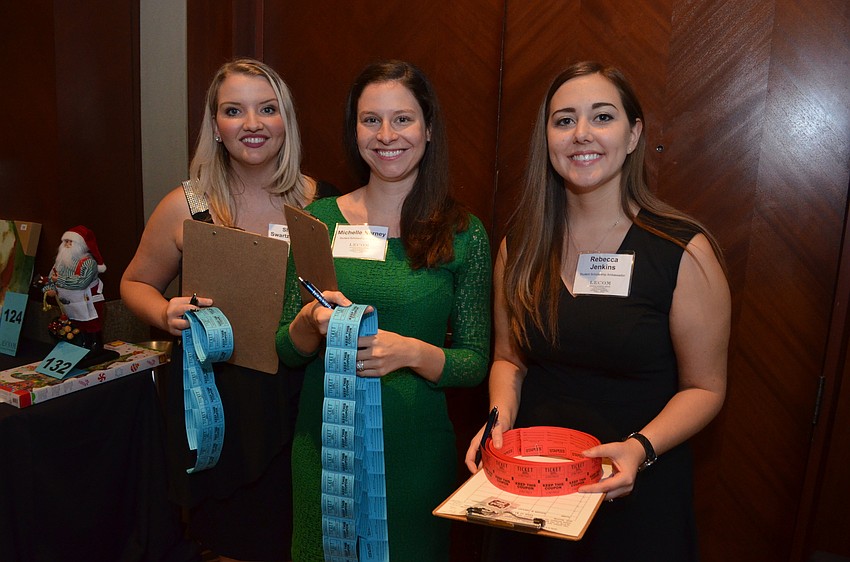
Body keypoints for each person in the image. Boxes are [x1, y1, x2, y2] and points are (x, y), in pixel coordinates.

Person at [464, 61, 731, 561]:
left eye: (602, 117)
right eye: (563, 120)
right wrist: (498, 419)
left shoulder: (683, 251)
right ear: (546, 138)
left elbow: (706, 387)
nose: (581, 134)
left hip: (635, 494)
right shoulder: (518, 246)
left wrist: (640, 448)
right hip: (536, 487)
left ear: (633, 135)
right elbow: (509, 359)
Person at [121, 58, 337, 562]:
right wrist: (165, 311)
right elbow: (134, 283)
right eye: (234, 111)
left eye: (267, 109)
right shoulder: (186, 204)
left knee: (302, 538)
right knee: (229, 541)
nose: (252, 124)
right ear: (215, 126)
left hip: (301, 399)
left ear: (286, 120)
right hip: (216, 404)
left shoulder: (323, 203)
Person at [276, 60, 492, 561]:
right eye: (370, 119)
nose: (386, 134)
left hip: (415, 455)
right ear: (354, 131)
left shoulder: (465, 233)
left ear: (429, 128)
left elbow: (475, 362)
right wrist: (311, 322)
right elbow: (285, 349)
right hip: (324, 450)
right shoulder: (317, 222)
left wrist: (410, 352)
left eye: (403, 119)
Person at [42, 225, 108, 350]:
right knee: (74, 327)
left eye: (70, 241)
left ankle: (95, 347)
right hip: (68, 305)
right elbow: (51, 277)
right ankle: (79, 348)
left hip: (88, 303)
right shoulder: (60, 262)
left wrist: (59, 280)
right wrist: (48, 289)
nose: (67, 244)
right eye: (65, 241)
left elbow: (81, 283)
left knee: (91, 326)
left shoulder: (89, 263)